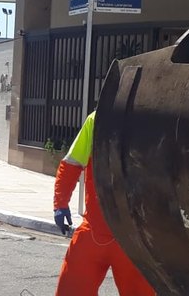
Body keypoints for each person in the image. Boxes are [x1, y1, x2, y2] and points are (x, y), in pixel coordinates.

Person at [53, 111, 155, 296]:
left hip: (117, 235)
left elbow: (72, 163)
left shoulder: (98, 117)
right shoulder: (99, 119)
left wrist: (60, 204)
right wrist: (60, 202)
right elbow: (72, 163)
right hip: (126, 237)